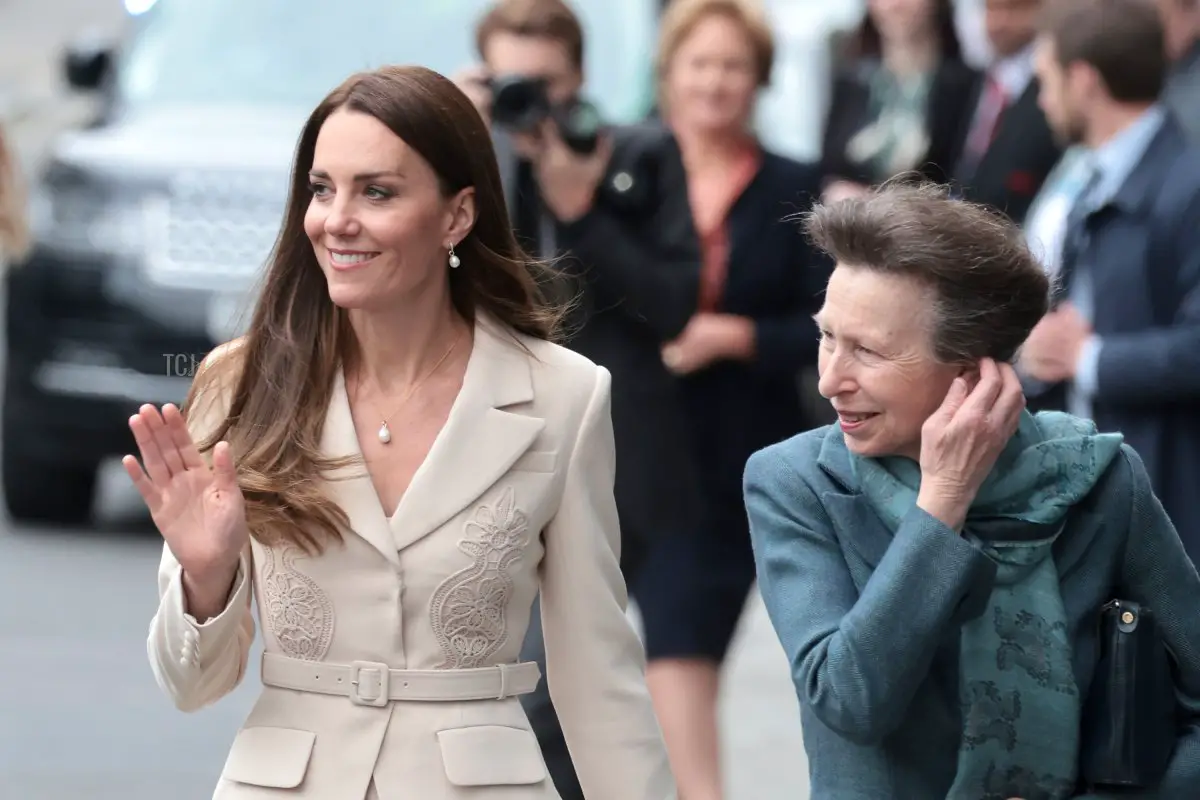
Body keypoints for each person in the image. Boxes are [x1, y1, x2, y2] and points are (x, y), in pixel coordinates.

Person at [127, 64, 675, 800]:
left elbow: (598, 677)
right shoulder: (240, 382)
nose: (335, 219)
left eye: (376, 192)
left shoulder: (564, 394)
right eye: (322, 189)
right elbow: (191, 687)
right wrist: (205, 577)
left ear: (457, 215)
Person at [744, 181, 1200, 799]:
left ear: (970, 371)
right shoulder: (796, 482)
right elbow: (849, 701)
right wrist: (943, 501)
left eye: (867, 352)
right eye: (827, 336)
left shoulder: (1097, 477)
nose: (829, 381)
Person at [455, 2, 705, 796]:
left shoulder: (642, 154)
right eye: (508, 85)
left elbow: (673, 303)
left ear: (582, 78)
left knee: (555, 677)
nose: (528, 104)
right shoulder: (459, 160)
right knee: (508, 677)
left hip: (612, 458)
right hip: (484, 450)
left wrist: (581, 211)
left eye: (546, 83)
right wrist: (451, 137)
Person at [634, 2, 829, 797]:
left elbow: (827, 327)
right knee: (656, 651)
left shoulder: (795, 186)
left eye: (733, 65)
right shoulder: (628, 166)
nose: (715, 81)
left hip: (744, 454)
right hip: (641, 446)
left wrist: (732, 337)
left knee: (694, 646)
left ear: (759, 79)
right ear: (669, 73)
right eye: (700, 63)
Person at [819, 0, 978, 202]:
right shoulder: (851, 82)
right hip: (852, 225)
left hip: (926, 226)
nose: (895, 5)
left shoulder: (965, 86)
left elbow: (962, 178)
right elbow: (827, 169)